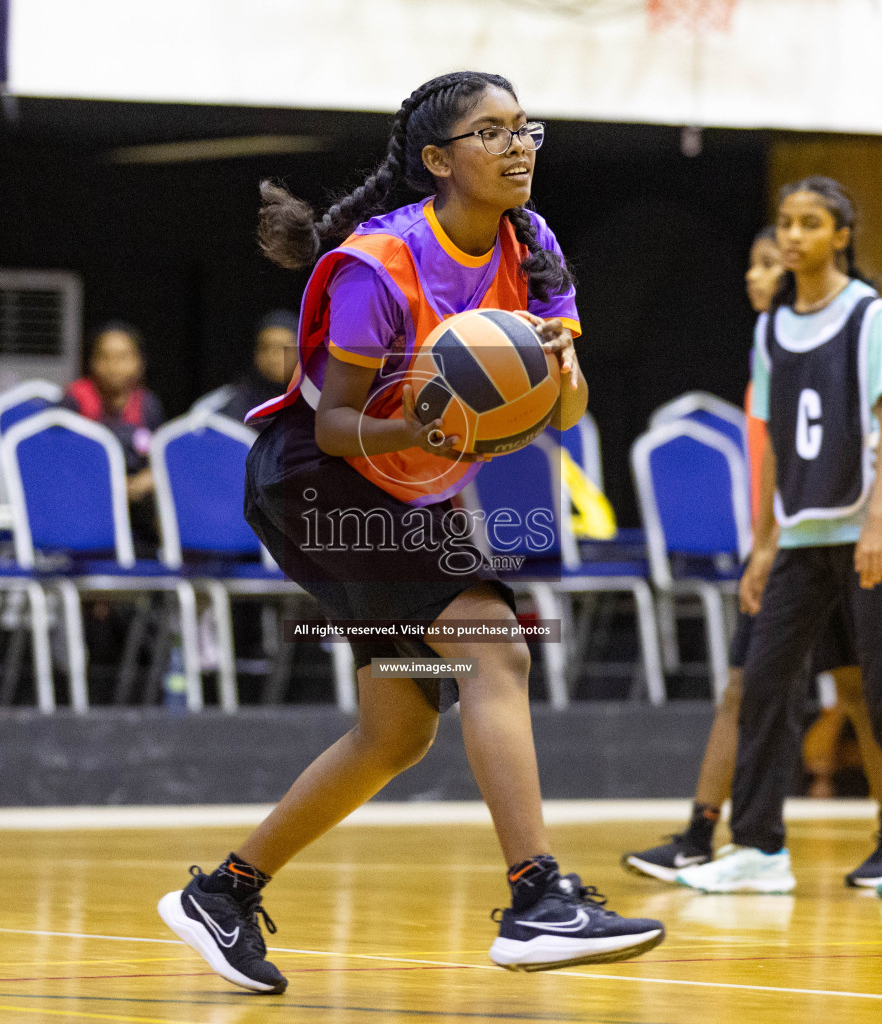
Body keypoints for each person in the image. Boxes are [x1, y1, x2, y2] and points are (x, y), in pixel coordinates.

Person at [156, 71, 664, 995]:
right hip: (316, 476)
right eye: (492, 132)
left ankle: (224, 895)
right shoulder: (376, 267)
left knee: (396, 732)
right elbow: (341, 425)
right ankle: (537, 896)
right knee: (491, 643)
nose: (519, 147)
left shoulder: (532, 246)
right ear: (438, 160)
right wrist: (430, 425)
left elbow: (566, 408)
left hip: (405, 492)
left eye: (527, 129)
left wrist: (554, 371)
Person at [673, 177, 882, 899]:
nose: (794, 236)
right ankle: (758, 846)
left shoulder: (868, 317)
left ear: (841, 236)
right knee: (763, 683)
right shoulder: (771, 328)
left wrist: (881, 518)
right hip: (797, 534)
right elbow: (770, 450)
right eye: (787, 223)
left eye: (811, 223)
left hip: (867, 528)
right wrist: (762, 543)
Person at [623, 227, 882, 886]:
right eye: (752, 261)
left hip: (827, 547)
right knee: (746, 688)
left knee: (858, 693)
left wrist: (772, 546)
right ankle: (701, 834)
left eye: (769, 263)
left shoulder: (837, 348)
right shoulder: (771, 352)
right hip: (783, 547)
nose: (754, 275)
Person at [61, 321, 166, 542]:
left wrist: (151, 477)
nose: (113, 366)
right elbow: (61, 464)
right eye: (104, 357)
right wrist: (113, 484)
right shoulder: (74, 401)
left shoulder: (147, 404)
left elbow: (156, 457)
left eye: (123, 357)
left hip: (135, 507)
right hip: (84, 503)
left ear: (139, 362)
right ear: (92, 362)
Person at [195, 310, 299, 428]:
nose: (272, 357)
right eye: (265, 348)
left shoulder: (317, 402)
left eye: (281, 348)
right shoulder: (226, 405)